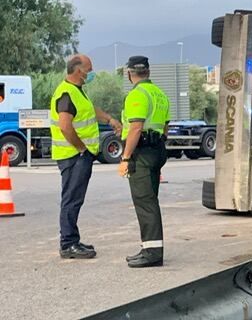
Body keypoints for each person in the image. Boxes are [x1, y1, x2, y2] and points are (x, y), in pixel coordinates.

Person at [50, 54, 122, 259]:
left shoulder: (78, 92)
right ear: (78, 70)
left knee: (74, 199)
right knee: (71, 200)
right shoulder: (66, 94)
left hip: (79, 155)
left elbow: (90, 111)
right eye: (89, 70)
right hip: (73, 156)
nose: (91, 73)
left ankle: (72, 239)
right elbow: (65, 126)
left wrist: (109, 119)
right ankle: (68, 244)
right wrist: (81, 149)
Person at [119, 56, 170, 268]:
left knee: (145, 202)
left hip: (142, 154)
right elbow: (166, 126)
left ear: (129, 73)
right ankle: (149, 247)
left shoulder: (137, 95)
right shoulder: (160, 93)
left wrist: (125, 157)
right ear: (148, 72)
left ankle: (152, 253)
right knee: (150, 200)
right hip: (157, 150)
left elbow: (136, 127)